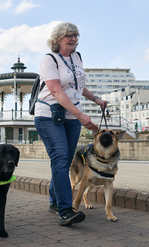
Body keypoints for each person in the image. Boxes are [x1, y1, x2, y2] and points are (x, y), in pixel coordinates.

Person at [34, 22, 107, 226]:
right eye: (69, 35)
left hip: (71, 117)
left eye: (75, 35)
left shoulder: (77, 57)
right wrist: (82, 115)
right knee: (60, 158)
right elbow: (57, 91)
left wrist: (96, 99)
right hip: (50, 114)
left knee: (63, 161)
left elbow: (77, 85)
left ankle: (54, 201)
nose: (73, 39)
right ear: (57, 39)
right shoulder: (49, 60)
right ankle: (65, 210)